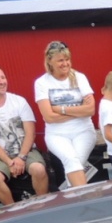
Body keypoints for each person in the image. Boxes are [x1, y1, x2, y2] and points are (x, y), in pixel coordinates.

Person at [0, 64, 49, 205]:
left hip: (26, 151)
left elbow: (30, 133)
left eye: (3, 77)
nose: (2, 81)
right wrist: (9, 162)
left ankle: (42, 205)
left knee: (38, 169)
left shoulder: (19, 101)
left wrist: (21, 157)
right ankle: (13, 210)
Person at [34, 41, 96, 188]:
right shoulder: (42, 83)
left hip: (84, 131)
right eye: (60, 60)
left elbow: (91, 110)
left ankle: (78, 202)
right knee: (72, 161)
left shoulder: (80, 77)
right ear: (50, 61)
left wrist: (61, 109)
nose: (65, 63)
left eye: (67, 59)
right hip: (57, 135)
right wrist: (79, 110)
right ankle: (86, 202)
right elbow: (49, 117)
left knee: (74, 163)